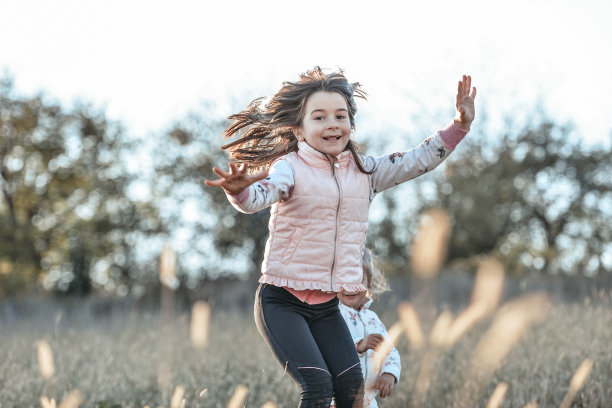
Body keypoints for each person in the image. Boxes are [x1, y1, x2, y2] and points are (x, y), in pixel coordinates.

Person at [205, 66, 476, 407]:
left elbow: (417, 160)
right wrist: (239, 192)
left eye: (340, 115)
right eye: (319, 117)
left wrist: (460, 125)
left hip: (327, 306)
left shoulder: (366, 173)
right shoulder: (289, 167)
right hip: (281, 301)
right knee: (318, 385)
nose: (332, 124)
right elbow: (262, 195)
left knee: (351, 387)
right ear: (299, 129)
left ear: (350, 123)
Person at [336, 249, 400, 408]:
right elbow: (330, 349)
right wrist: (359, 345)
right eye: (342, 280)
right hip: (337, 401)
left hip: (368, 401)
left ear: (369, 282)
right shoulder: (332, 315)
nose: (349, 287)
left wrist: (389, 373)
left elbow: (390, 351)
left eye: (358, 279)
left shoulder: (372, 318)